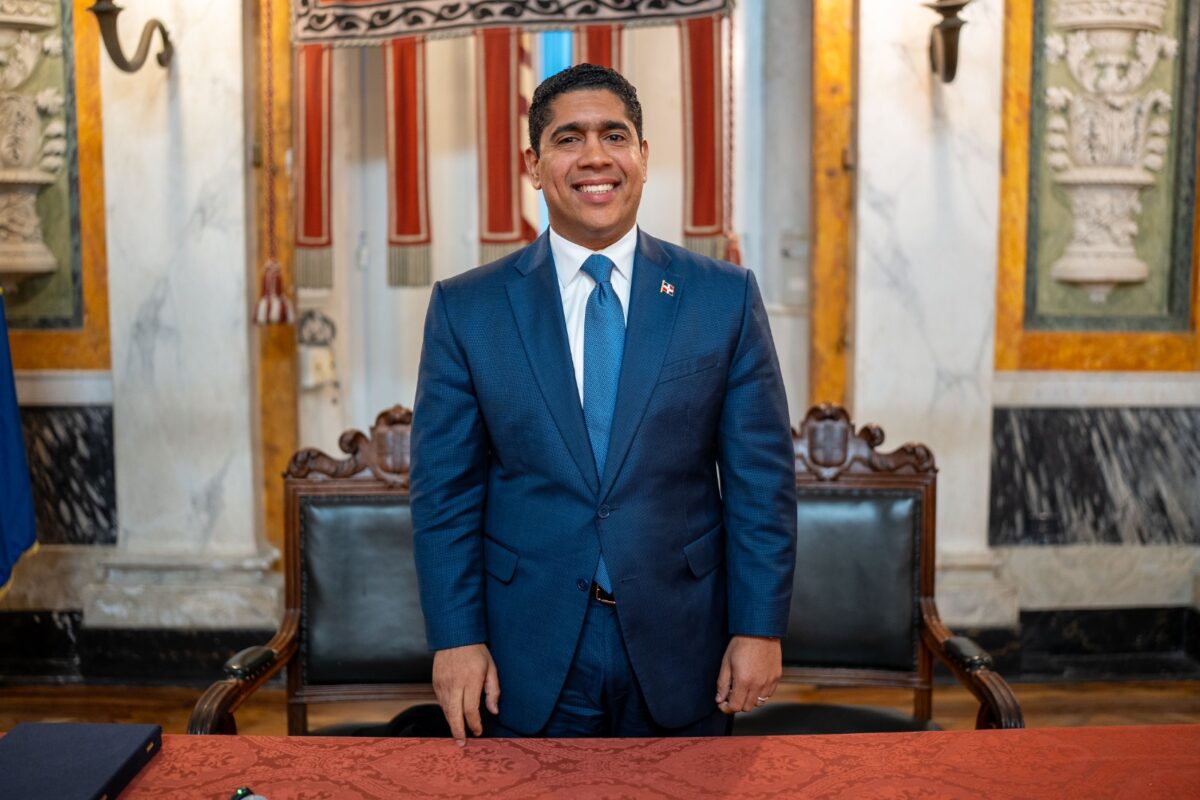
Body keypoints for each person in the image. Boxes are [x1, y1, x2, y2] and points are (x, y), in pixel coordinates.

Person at [411, 63, 796, 743]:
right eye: (568, 139)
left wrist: (759, 626)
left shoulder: (723, 298)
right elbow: (444, 493)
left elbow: (760, 483)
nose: (595, 156)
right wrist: (455, 637)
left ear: (642, 157)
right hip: (524, 648)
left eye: (614, 136)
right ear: (534, 166)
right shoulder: (467, 309)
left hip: (685, 640)